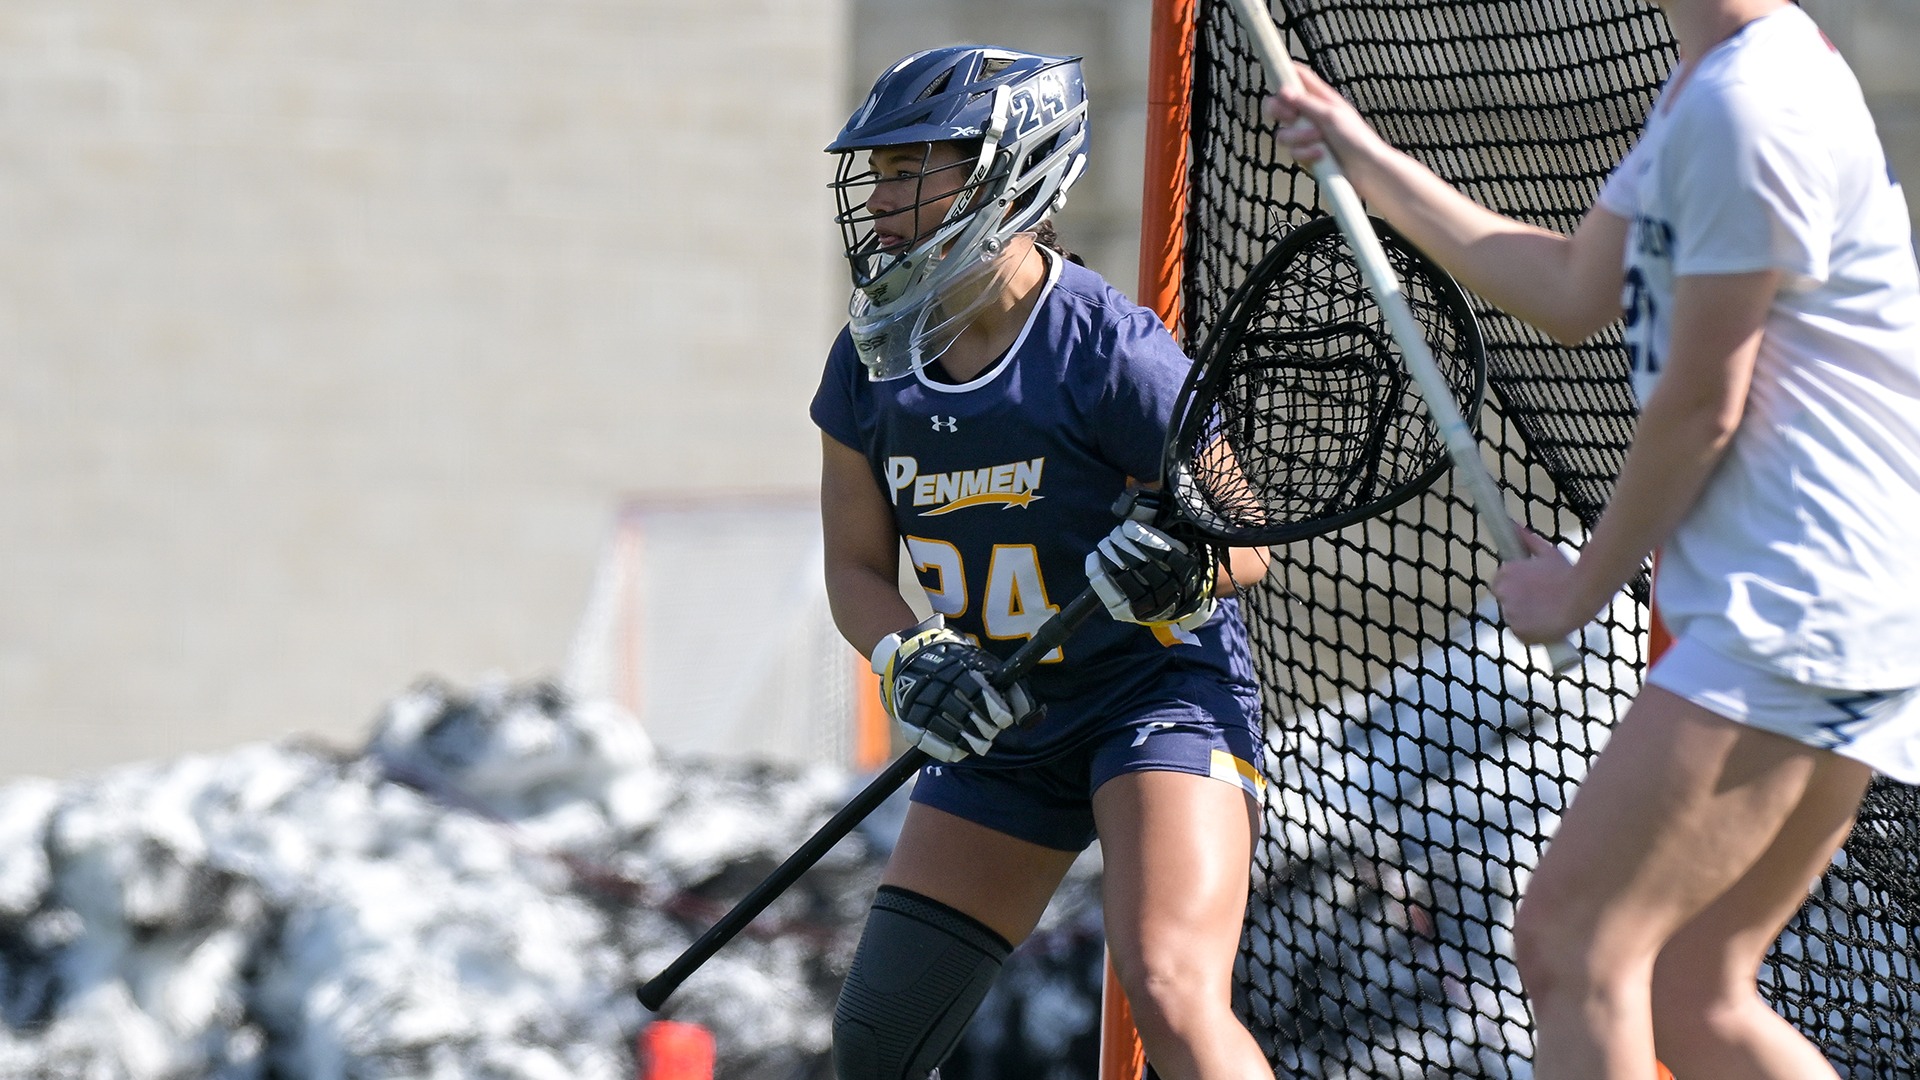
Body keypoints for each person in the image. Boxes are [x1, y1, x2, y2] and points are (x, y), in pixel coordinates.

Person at [1268, 2, 1920, 1078]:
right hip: (1827, 615)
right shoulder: (1708, 88)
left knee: (1574, 944)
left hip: (1797, 613)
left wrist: (1583, 593)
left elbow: (1705, 403)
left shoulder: (1750, 101)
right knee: (1689, 992)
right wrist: (1360, 155)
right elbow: (1574, 290)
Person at [812, 45, 1275, 1080]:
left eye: (907, 173)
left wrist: (1180, 567)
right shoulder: (870, 360)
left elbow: (1245, 535)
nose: (879, 203)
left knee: (1168, 983)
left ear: (1004, 173)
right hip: (1007, 715)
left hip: (1156, 695)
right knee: (878, 1040)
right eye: (876, 175)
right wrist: (907, 656)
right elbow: (854, 569)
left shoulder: (1106, 350)